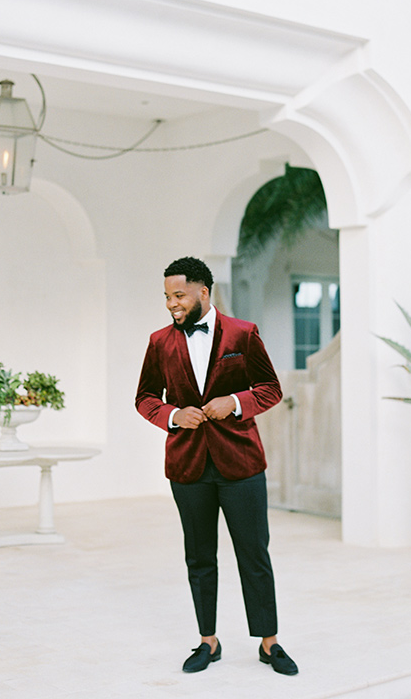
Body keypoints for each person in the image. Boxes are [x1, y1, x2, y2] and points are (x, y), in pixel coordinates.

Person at [135, 256, 298, 676]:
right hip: (188, 466)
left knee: (253, 554)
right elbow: (146, 397)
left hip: (241, 463)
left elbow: (270, 388)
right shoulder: (158, 342)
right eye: (167, 296)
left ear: (203, 292)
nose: (171, 303)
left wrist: (236, 402)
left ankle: (269, 642)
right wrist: (172, 415)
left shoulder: (244, 334)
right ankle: (208, 641)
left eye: (179, 295)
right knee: (199, 556)